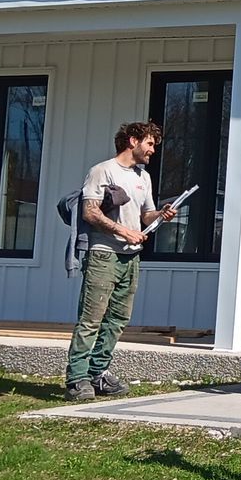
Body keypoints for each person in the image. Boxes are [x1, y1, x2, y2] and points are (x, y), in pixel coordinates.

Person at [66, 121, 178, 400]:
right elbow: (89, 212)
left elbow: (146, 215)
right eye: (150, 143)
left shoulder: (144, 177)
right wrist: (123, 231)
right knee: (92, 318)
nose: (153, 150)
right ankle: (77, 378)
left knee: (117, 319)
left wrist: (161, 214)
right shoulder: (102, 171)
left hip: (131, 257)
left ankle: (98, 373)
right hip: (103, 254)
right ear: (133, 141)